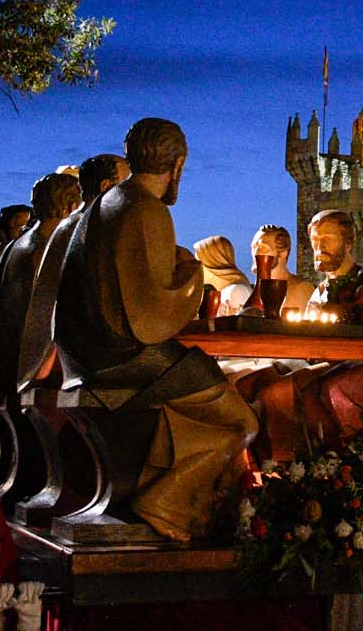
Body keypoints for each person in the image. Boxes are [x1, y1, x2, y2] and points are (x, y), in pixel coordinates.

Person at [53, 117, 258, 542]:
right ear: (177, 166)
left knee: (201, 397)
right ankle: (165, 500)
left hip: (88, 355)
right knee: (242, 420)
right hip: (124, 360)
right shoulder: (146, 208)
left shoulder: (104, 206)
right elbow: (155, 315)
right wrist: (191, 273)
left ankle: (173, 499)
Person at [19, 152, 129, 392]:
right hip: (73, 366)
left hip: (56, 360)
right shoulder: (91, 229)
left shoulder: (66, 227)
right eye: (127, 186)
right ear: (107, 186)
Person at [0, 170, 82, 406]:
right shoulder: (47, 251)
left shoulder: (16, 248)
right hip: (32, 379)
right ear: (71, 207)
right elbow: (49, 323)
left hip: (6, 375)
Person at [250, 225, 316, 313]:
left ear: (283, 253)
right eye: (254, 247)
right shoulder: (256, 292)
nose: (256, 253)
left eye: (264, 248)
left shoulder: (300, 289)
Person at [194, 235, 252, 315]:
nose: (196, 269)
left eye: (199, 262)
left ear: (212, 262)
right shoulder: (221, 293)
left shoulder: (236, 291)